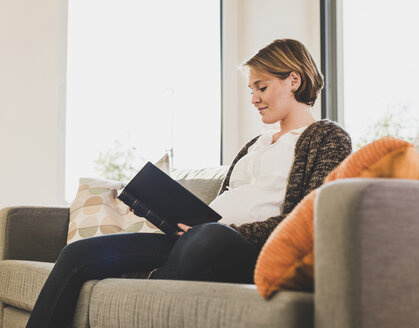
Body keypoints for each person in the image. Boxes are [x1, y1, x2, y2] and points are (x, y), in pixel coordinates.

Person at [26, 39, 352, 328]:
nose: (254, 98)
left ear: (293, 80)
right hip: (196, 236)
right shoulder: (256, 143)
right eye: (251, 89)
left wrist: (230, 231)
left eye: (261, 87)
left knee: (208, 236)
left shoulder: (327, 138)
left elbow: (308, 219)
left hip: (248, 248)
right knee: (79, 253)